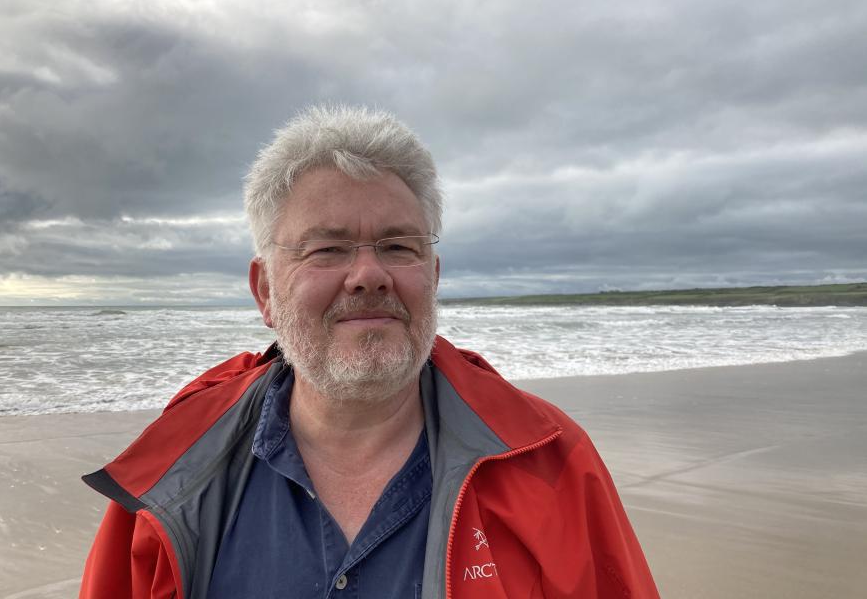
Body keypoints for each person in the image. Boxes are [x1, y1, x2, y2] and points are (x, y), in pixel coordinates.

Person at [79, 105, 659, 598]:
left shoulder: (551, 462)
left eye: (397, 245)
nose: (368, 275)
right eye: (327, 249)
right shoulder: (175, 473)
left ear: (432, 276)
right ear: (265, 292)